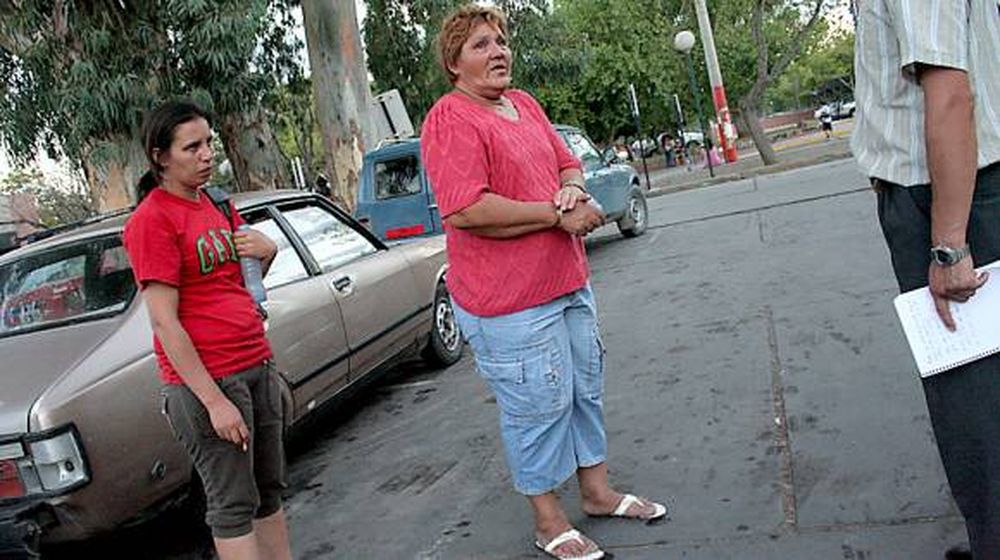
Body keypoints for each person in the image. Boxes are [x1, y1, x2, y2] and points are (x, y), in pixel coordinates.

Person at [420, 5, 667, 560]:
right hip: (509, 303)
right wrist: (554, 215)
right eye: (481, 44)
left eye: (501, 41)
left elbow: (566, 163)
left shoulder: (525, 104)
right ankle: (548, 521)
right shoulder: (450, 118)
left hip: (567, 282)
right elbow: (464, 210)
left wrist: (573, 190)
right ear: (454, 63)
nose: (498, 51)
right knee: (537, 408)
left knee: (584, 392)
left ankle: (598, 494)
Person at [852, 2, 1000, 558]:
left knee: (974, 406)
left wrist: (949, 246)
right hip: (943, 191)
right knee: (974, 401)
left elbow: (950, 93)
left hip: (947, 197)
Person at [123, 101, 292, 560]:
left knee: (269, 491)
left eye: (209, 143)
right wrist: (214, 402)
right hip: (210, 380)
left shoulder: (217, 203)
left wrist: (269, 250)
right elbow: (164, 321)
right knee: (233, 503)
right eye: (191, 147)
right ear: (161, 156)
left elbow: (242, 285)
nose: (206, 155)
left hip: (255, 361)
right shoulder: (152, 220)